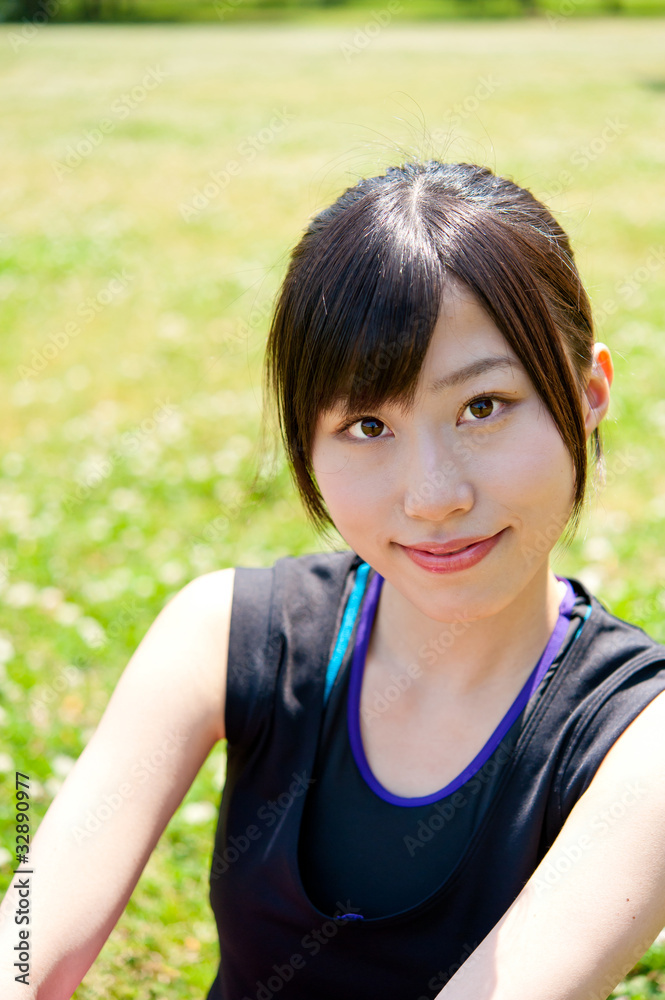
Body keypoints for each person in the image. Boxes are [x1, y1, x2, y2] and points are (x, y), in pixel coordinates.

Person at [2, 160, 665, 1000]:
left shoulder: (640, 741)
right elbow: (23, 949)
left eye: (483, 406)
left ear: (588, 391)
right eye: (365, 424)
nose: (434, 497)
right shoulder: (224, 634)